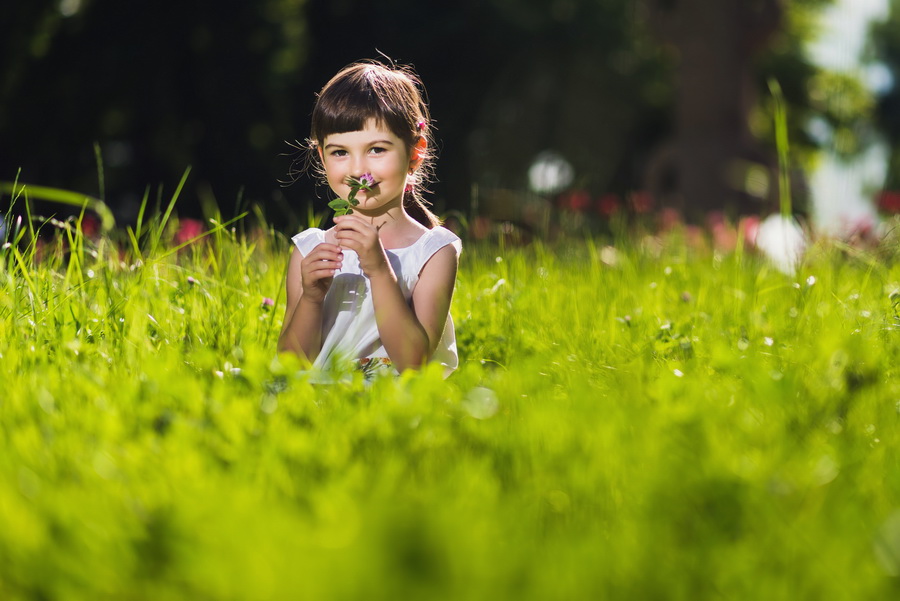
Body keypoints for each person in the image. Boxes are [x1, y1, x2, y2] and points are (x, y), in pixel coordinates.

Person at [278, 60, 462, 379]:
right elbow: (290, 365)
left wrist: (378, 270)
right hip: (318, 393)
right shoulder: (310, 249)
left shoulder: (434, 251)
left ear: (415, 152)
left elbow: (413, 362)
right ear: (322, 156)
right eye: (340, 152)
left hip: (390, 394)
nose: (357, 169)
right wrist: (311, 298)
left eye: (376, 149)